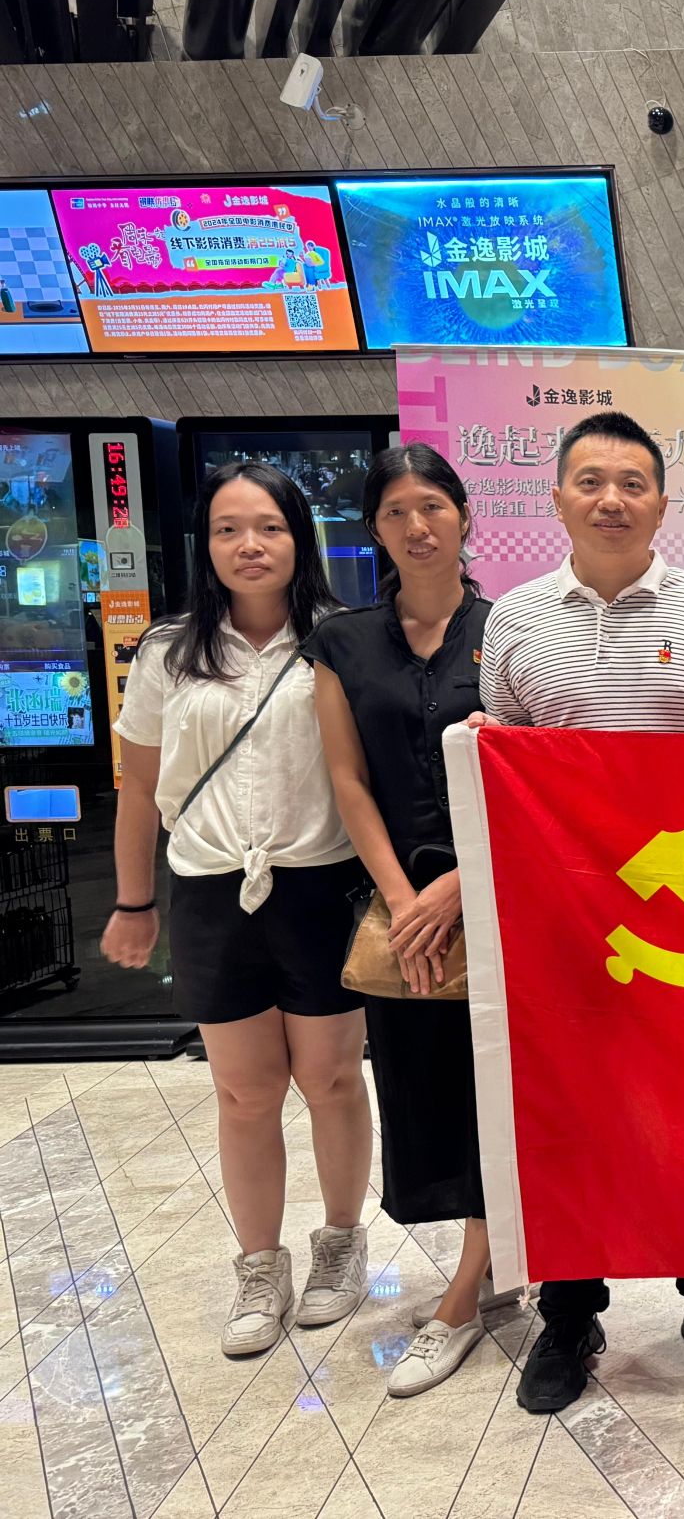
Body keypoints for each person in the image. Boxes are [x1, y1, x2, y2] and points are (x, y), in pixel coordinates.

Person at [475, 411, 684, 1412]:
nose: (612, 499)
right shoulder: (515, 618)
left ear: (661, 500)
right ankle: (570, 1313)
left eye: (633, 483)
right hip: (566, 927)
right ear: (557, 497)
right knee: (570, 1116)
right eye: (591, 481)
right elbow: (508, 767)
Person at [100, 462, 371, 1359]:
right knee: (244, 1090)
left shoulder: (340, 640)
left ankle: (341, 1244)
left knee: (332, 1079)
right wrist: (134, 901)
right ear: (204, 545)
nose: (249, 546)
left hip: (318, 885)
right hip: (212, 891)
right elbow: (138, 789)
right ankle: (260, 1266)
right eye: (228, 530)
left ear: (300, 539)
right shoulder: (167, 651)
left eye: (269, 527)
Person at [305, 445, 509, 1399]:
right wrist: (400, 898)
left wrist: (460, 884)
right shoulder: (341, 644)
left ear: (463, 515)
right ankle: (492, 1262)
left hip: (500, 891)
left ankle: (464, 1295)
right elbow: (347, 779)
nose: (417, 526)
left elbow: (529, 770)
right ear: (375, 530)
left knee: (498, 1088)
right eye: (396, 512)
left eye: (433, 506)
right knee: (425, 1083)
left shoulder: (511, 629)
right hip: (402, 908)